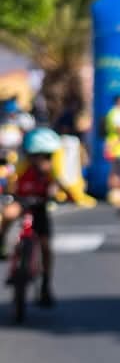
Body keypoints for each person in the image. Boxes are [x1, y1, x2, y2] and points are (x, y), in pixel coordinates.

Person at [1, 128, 73, 306]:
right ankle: (1, 243)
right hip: (22, 201)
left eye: (46, 156)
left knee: (46, 245)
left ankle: (46, 284)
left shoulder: (52, 170)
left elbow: (60, 185)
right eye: (37, 155)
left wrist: (59, 193)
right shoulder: (21, 167)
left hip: (40, 206)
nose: (42, 159)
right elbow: (10, 182)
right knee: (8, 214)